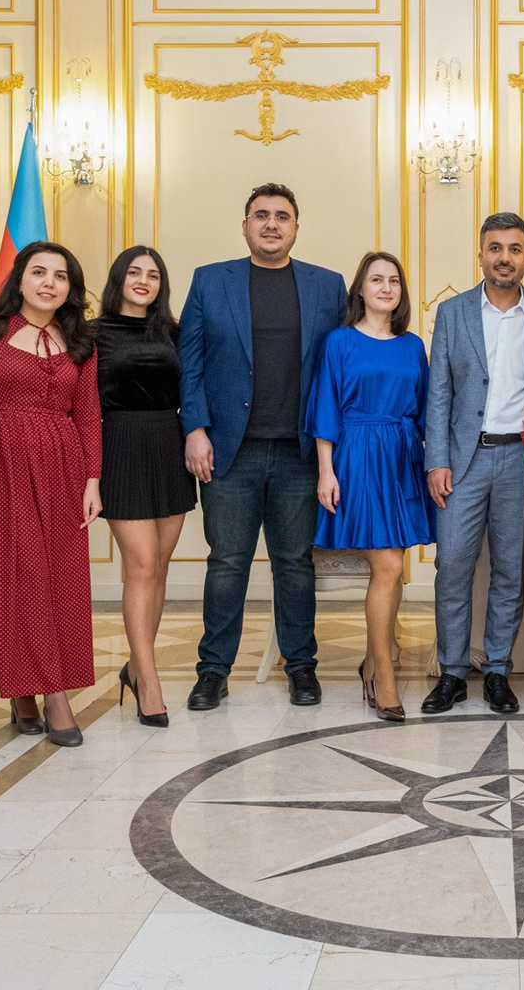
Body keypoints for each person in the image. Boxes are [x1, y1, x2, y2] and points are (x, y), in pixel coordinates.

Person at [180, 184, 348, 711]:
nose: (271, 224)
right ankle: (213, 671)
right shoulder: (210, 281)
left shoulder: (328, 286)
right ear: (245, 225)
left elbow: (341, 366)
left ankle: (300, 667)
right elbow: (190, 363)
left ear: (296, 227)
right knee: (226, 563)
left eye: (282, 216)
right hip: (230, 452)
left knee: (294, 564)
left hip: (301, 453)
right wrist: (195, 428)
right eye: (261, 215)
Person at [0, 242, 102, 747]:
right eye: (39, 272)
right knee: (16, 576)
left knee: (60, 580)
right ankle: (52, 696)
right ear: (19, 279)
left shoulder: (80, 340)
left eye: (60, 276)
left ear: (70, 288)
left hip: (63, 469)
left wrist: (92, 480)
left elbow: (88, 414)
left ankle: (26, 690)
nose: (49, 283)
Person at [423, 214, 524, 715]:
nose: (505, 257)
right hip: (463, 462)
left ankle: (498, 670)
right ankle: (453, 672)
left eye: (515, 249)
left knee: (510, 569)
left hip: (523, 461)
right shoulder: (452, 311)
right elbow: (439, 391)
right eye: (496, 248)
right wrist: (436, 460)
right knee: (451, 567)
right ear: (481, 254)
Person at [306, 252, 437, 722]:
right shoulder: (339, 341)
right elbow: (325, 407)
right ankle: (384, 675)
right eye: (376, 279)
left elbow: (427, 410)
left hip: (402, 457)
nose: (385, 287)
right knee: (388, 567)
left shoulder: (412, 346)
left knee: (393, 569)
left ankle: (372, 664)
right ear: (360, 289)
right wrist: (326, 471)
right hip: (357, 457)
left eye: (393, 280)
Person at [94, 245, 198, 729]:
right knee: (139, 564)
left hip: (168, 444)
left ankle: (137, 667)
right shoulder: (91, 333)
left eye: (153, 275)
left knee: (158, 566)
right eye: (134, 272)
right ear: (118, 279)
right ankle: (150, 682)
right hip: (119, 444)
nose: (143, 280)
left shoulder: (173, 332)